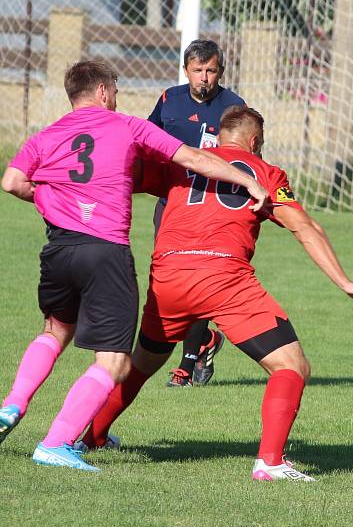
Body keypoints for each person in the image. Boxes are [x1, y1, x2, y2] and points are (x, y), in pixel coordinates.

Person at [77, 105, 353, 481]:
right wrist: (345, 282)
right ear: (255, 141)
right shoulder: (266, 173)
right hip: (223, 278)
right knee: (291, 366)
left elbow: (125, 174)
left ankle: (91, 437)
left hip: (169, 275)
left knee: (142, 363)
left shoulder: (185, 160)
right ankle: (270, 462)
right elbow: (305, 228)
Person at [0, 60, 269, 471]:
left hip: (58, 249)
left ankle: (12, 406)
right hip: (104, 251)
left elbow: (12, 182)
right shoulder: (126, 125)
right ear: (104, 91)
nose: (119, 96)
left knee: (55, 331)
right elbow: (192, 158)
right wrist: (248, 180)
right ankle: (55, 443)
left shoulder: (46, 135)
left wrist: (54, 201)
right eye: (118, 88)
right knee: (114, 362)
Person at [148, 39, 246, 388]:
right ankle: (204, 341)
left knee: (201, 279)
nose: (204, 77)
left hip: (212, 210)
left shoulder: (234, 108)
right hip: (171, 205)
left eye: (211, 70)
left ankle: (186, 365)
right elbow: (147, 142)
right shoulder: (168, 100)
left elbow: (246, 158)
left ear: (221, 71)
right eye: (197, 70)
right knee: (168, 279)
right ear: (186, 69)